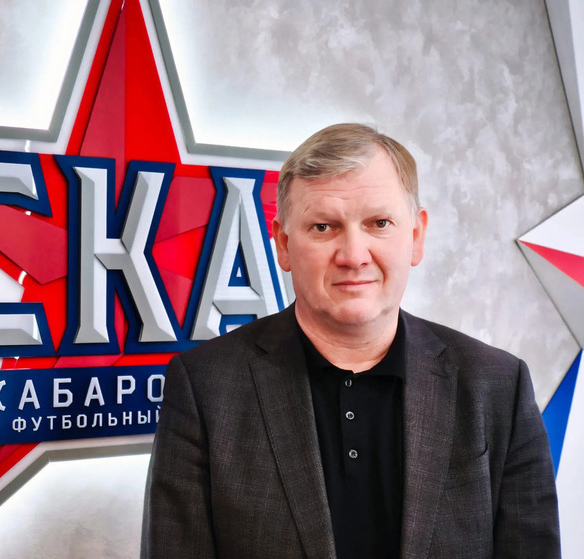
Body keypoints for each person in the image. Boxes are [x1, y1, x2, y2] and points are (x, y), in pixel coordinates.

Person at [141, 123, 560, 558]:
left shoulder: (497, 384)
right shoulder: (205, 387)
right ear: (283, 244)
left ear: (416, 236)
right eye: (323, 227)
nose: (354, 256)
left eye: (379, 223)